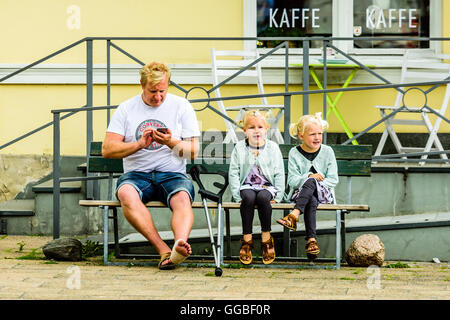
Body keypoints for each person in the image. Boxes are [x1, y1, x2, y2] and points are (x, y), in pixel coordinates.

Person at [102, 61, 200, 270]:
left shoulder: (181, 106)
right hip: (137, 175)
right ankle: (163, 250)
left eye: (162, 91)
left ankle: (179, 246)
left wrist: (170, 142)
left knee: (182, 198)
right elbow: (108, 149)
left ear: (168, 85)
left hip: (172, 174)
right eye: (152, 91)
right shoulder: (127, 108)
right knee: (126, 194)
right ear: (141, 84)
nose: (157, 97)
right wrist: (139, 144)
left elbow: (193, 151)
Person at [277, 113, 338, 259]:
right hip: (299, 195)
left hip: (324, 194)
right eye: (312, 134)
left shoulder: (328, 151)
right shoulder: (294, 152)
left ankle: (294, 215)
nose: (317, 137)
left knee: (312, 183)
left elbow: (333, 180)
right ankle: (311, 240)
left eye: (319, 133)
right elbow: (292, 181)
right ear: (301, 135)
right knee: (311, 196)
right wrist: (309, 177)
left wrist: (316, 182)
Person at [229, 110, 285, 265]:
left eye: (260, 126)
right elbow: (233, 172)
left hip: (267, 187)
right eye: (251, 127)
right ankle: (247, 240)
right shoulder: (240, 148)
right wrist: (236, 195)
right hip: (246, 186)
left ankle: (266, 238)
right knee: (248, 197)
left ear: (266, 129)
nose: (256, 130)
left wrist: (278, 196)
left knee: (262, 197)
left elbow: (280, 172)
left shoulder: (272, 148)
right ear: (244, 131)